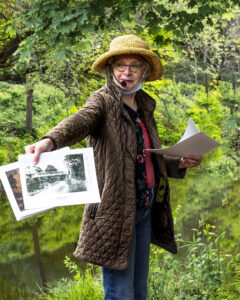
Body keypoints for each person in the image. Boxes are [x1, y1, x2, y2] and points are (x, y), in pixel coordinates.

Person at [25, 34, 202, 300]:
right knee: (121, 293)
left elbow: (145, 156)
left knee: (139, 290)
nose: (127, 72)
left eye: (134, 65)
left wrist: (180, 162)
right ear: (111, 69)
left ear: (144, 71)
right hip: (115, 211)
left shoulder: (144, 107)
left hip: (144, 207)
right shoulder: (102, 101)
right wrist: (49, 141)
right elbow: (80, 120)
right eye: (120, 65)